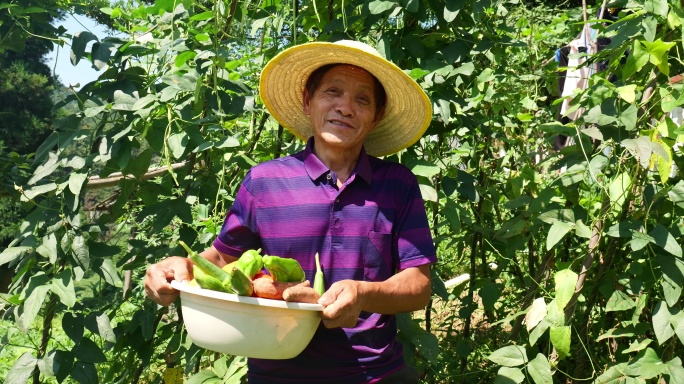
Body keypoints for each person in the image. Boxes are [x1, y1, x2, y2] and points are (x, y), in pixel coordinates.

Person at [144, 40, 437, 384]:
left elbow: (418, 285)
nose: (345, 107)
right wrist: (179, 268)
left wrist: (363, 294)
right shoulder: (264, 182)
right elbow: (222, 260)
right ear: (307, 101)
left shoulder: (397, 184)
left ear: (375, 117)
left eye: (362, 99)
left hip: (375, 374)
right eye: (333, 91)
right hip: (277, 371)